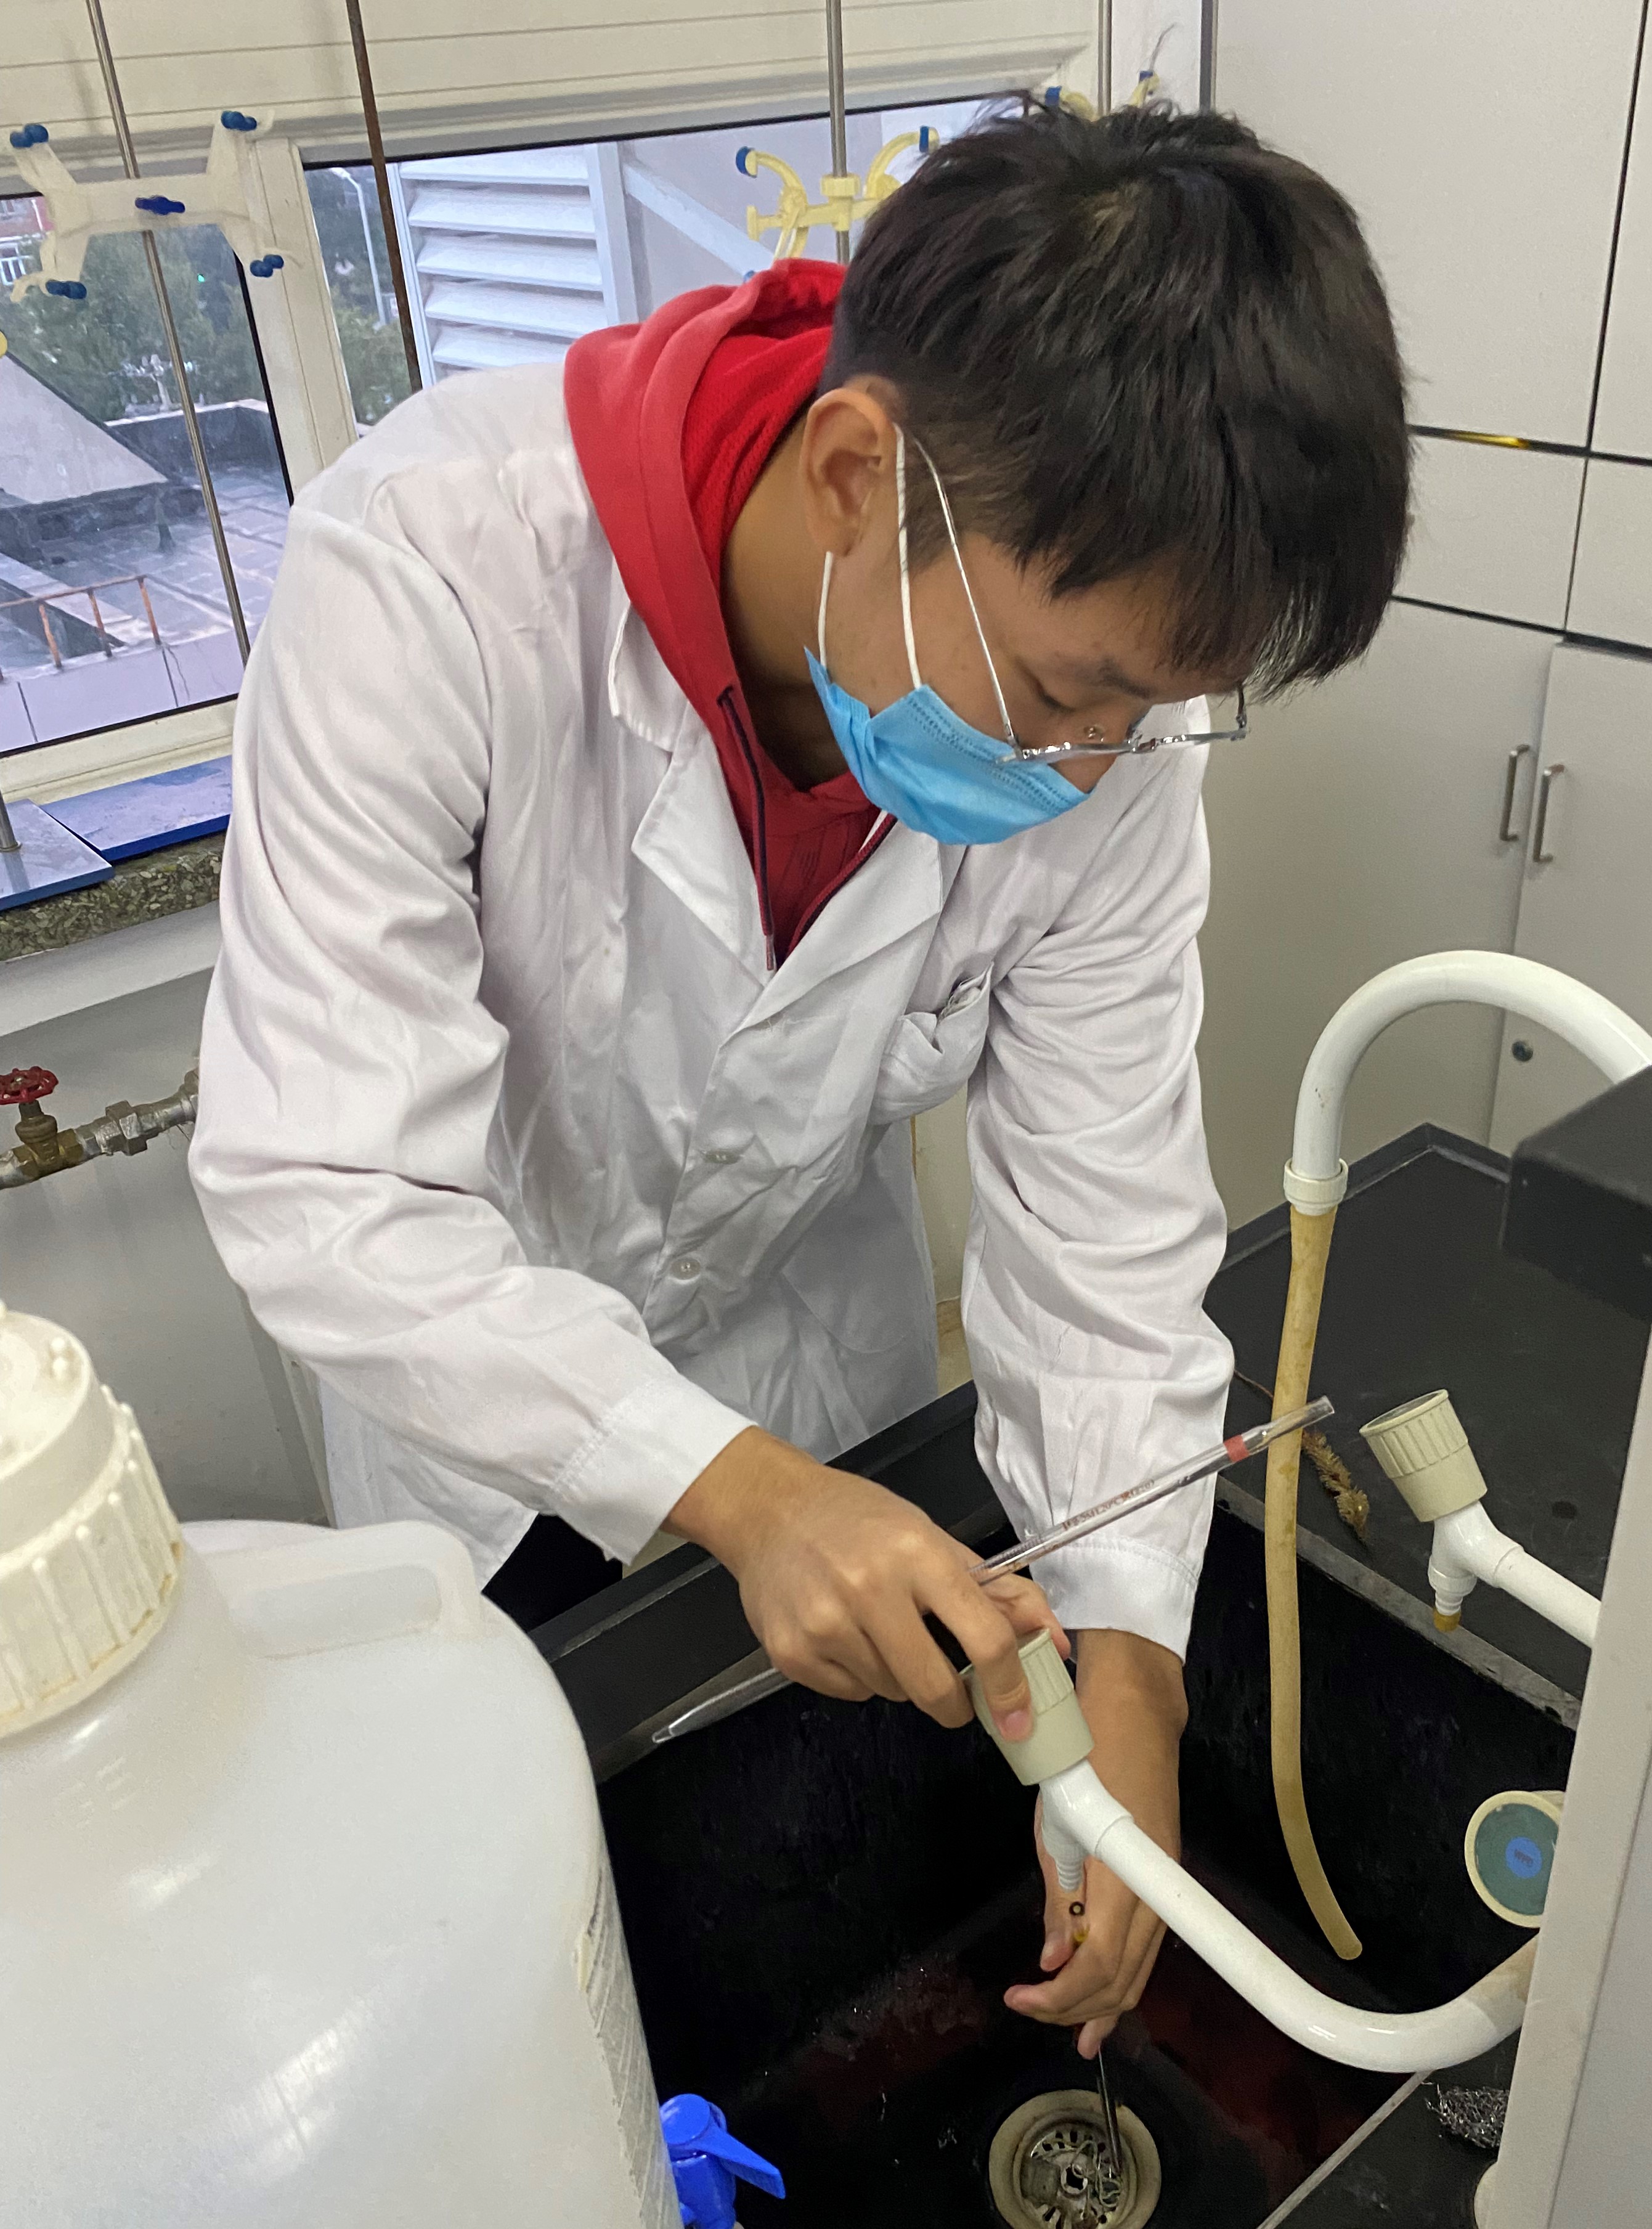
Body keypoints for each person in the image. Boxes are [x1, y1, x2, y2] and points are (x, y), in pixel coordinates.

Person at [190, 99, 1407, 2060]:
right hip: (475, 1409)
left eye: (1159, 709)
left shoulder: (1103, 744)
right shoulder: (430, 576)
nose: (1101, 769)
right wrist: (733, 1491)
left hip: (816, 1373)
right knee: (535, 1916)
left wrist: (1137, 1665)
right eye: (1073, 692)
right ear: (855, 472)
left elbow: (1102, 1236)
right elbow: (327, 1188)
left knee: (805, 1862)